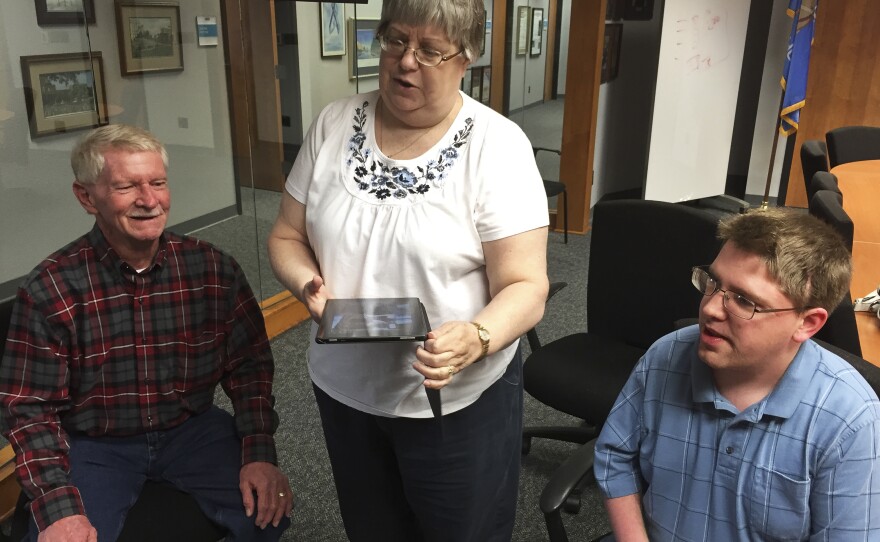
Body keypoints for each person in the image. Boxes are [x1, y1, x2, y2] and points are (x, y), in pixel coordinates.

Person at [267, 0, 549, 539]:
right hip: (345, 388)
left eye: (430, 50)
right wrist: (307, 283)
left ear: (466, 59)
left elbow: (526, 286)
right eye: (395, 41)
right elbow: (285, 235)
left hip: (455, 397)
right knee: (372, 528)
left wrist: (478, 335)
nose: (405, 61)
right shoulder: (333, 121)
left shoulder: (497, 146)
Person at [0, 124, 293, 542]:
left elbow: (250, 367)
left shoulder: (213, 270)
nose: (149, 200)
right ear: (86, 197)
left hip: (191, 428)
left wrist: (259, 452)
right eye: (126, 187)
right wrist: (57, 505)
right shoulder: (51, 288)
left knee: (269, 510)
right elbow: (27, 408)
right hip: (95, 443)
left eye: (158, 183)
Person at [594, 207, 880, 541]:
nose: (710, 308)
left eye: (744, 301)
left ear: (807, 323)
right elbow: (616, 455)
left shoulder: (850, 423)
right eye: (713, 283)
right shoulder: (666, 355)